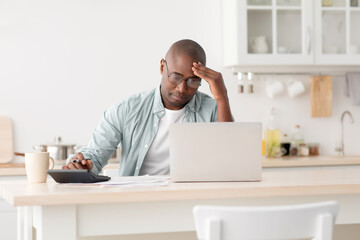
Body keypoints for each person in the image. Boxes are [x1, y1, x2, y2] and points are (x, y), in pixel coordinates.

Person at [62, 39, 233, 175]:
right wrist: (81, 166)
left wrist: (222, 97)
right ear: (162, 67)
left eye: (193, 80)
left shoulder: (212, 109)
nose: (182, 88)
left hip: (188, 201)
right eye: (175, 77)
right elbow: (94, 155)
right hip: (138, 202)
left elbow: (231, 160)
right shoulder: (128, 110)